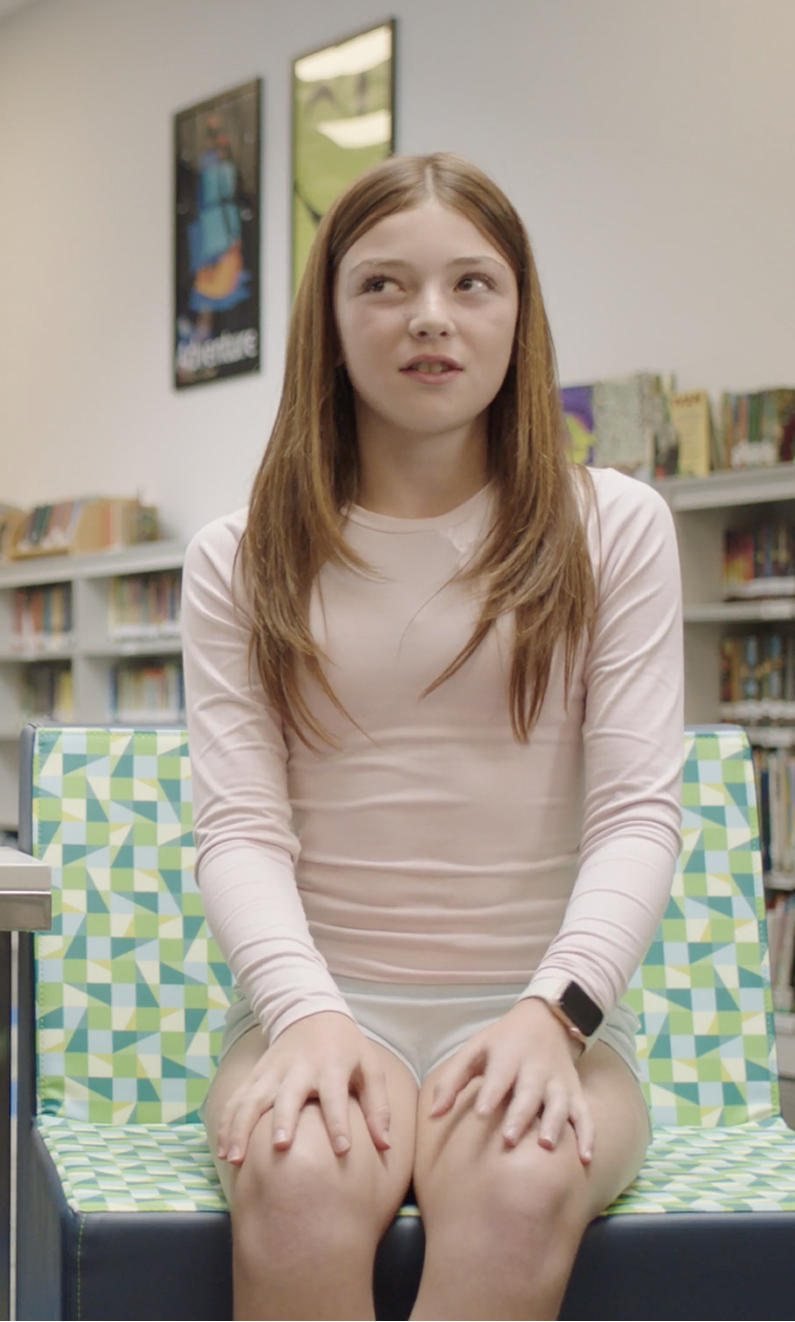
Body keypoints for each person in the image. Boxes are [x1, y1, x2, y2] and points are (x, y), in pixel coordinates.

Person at [182, 153, 681, 1319]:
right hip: (310, 1003)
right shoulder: (241, 553)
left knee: (519, 1179)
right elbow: (241, 827)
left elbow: (636, 813)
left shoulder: (614, 526)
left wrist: (553, 1014)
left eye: (473, 284)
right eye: (383, 286)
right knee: (296, 1178)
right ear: (330, 317)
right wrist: (304, 1014)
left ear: (520, 313)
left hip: (544, 1010)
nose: (430, 320)